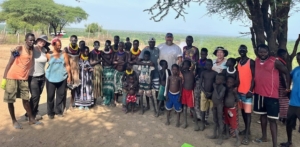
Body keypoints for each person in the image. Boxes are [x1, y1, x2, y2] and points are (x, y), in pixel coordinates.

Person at [253, 44, 290, 147]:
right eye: (260, 52)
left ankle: (274, 144)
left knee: (272, 120)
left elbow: (286, 72)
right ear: (258, 52)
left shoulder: (275, 62)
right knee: (262, 116)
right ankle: (264, 137)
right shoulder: (256, 61)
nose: (262, 54)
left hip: (271, 96)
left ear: (268, 51)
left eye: (264, 52)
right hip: (259, 94)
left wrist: (287, 88)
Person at [1, 33, 41, 129]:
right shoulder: (19, 49)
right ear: (25, 40)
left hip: (23, 78)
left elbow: (43, 47)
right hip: (12, 77)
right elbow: (9, 63)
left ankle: (31, 119)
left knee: (26, 99)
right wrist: (4, 78)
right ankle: (14, 121)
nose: (31, 42)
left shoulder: (32, 50)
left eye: (33, 40)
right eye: (30, 40)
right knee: (11, 100)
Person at [25, 35, 50, 121]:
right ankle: (31, 114)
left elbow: (50, 58)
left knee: (37, 95)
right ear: (37, 40)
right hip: (32, 76)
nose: (42, 42)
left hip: (42, 76)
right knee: (35, 96)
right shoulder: (32, 48)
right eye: (40, 40)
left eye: (44, 41)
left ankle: (30, 112)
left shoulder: (45, 50)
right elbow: (24, 48)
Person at [46, 38, 71, 119]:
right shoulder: (49, 54)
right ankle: (50, 112)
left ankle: (58, 111)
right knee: (50, 96)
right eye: (57, 45)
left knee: (60, 95)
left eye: (60, 45)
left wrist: (69, 76)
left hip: (62, 77)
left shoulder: (64, 54)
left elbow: (67, 65)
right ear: (53, 45)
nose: (59, 47)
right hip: (50, 78)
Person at [280, 53, 300, 147]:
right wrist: (287, 88)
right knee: (289, 123)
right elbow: (288, 76)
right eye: (298, 59)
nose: (299, 60)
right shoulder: (296, 69)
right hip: (293, 102)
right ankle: (289, 141)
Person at [236, 45, 254, 145]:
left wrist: (251, 91)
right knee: (243, 112)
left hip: (247, 92)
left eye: (243, 49)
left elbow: (254, 77)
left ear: (246, 50)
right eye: (240, 49)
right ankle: (247, 130)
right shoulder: (239, 62)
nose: (242, 51)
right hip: (240, 91)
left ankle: (247, 136)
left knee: (248, 114)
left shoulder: (250, 62)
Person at [138, 37, 160, 109]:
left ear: (155, 43)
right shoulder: (145, 50)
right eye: (150, 42)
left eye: (153, 42)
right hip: (146, 75)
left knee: (157, 89)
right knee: (147, 89)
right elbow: (138, 61)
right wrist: (148, 64)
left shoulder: (157, 50)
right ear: (148, 43)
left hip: (155, 72)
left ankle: (158, 104)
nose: (152, 44)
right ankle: (148, 105)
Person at [198, 59, 218, 131]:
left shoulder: (215, 73)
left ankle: (216, 125)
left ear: (212, 65)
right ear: (205, 65)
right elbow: (200, 84)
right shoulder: (203, 73)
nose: (208, 66)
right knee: (203, 109)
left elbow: (216, 84)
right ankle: (203, 124)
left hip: (212, 93)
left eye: (210, 65)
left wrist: (212, 93)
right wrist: (205, 92)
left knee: (214, 109)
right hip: (204, 93)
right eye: (207, 65)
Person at [208, 73, 226, 145]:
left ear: (222, 80)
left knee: (220, 121)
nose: (216, 80)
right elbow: (214, 95)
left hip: (219, 106)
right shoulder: (216, 86)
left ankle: (220, 138)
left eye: (218, 79)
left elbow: (219, 97)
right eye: (216, 79)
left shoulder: (223, 88)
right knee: (215, 121)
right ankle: (214, 134)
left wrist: (215, 88)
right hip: (215, 105)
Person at [64, 35, 80, 110]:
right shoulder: (66, 49)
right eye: (72, 40)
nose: (73, 42)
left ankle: (71, 104)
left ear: (77, 40)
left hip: (76, 71)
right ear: (70, 40)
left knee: (73, 88)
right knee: (65, 88)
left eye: (75, 40)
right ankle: (63, 105)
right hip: (68, 70)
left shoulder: (79, 50)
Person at [138, 51, 156, 115]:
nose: (146, 57)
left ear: (149, 56)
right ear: (143, 56)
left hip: (148, 82)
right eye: (145, 56)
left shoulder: (151, 63)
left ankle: (155, 110)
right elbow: (139, 71)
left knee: (150, 95)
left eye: (147, 56)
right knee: (141, 95)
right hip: (141, 82)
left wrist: (151, 82)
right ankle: (142, 110)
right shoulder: (141, 63)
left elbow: (152, 73)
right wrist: (138, 80)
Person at [224, 76, 240, 147]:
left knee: (234, 125)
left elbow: (237, 99)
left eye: (231, 82)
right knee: (226, 122)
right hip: (225, 108)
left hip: (231, 109)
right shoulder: (225, 90)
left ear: (233, 83)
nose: (229, 84)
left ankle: (238, 139)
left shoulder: (234, 91)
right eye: (228, 82)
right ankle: (227, 134)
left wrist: (233, 104)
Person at [181, 60, 197, 130]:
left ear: (189, 66)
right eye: (184, 65)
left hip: (190, 92)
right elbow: (179, 67)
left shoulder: (191, 72)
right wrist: (182, 63)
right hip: (184, 91)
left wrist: (190, 61)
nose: (185, 66)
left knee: (192, 108)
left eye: (187, 65)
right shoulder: (183, 72)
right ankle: (185, 122)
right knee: (184, 107)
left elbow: (194, 65)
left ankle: (196, 124)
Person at [194, 48, 209, 123]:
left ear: (207, 54)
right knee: (197, 99)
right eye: (201, 54)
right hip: (198, 82)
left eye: (204, 54)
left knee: (205, 100)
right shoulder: (198, 62)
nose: (202, 55)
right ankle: (198, 116)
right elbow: (196, 72)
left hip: (205, 82)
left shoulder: (208, 63)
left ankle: (205, 118)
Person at [113, 42, 128, 106]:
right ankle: (115, 100)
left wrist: (118, 62)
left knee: (123, 86)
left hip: (123, 73)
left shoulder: (125, 54)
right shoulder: (116, 53)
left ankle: (124, 101)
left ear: (123, 47)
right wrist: (119, 62)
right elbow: (113, 61)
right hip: (117, 72)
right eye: (119, 46)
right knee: (116, 86)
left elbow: (126, 62)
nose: (120, 47)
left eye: (121, 46)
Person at [277, 48, 289, 124]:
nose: (286, 56)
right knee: (284, 101)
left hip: (277, 84)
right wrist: (286, 88)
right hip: (281, 85)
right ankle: (284, 117)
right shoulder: (280, 62)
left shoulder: (277, 60)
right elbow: (283, 75)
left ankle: (281, 117)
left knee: (280, 101)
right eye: (286, 55)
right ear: (283, 55)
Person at [102, 40, 115, 106]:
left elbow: (110, 62)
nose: (107, 46)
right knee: (105, 86)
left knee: (110, 86)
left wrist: (103, 56)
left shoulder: (112, 53)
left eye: (108, 45)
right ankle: (105, 99)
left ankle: (110, 99)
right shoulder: (102, 52)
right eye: (106, 44)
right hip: (104, 70)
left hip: (110, 70)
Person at [89, 41, 102, 106]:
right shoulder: (91, 53)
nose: (97, 46)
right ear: (93, 45)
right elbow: (91, 63)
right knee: (94, 85)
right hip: (94, 70)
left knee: (97, 85)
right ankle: (92, 100)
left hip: (99, 71)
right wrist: (99, 61)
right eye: (95, 45)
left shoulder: (100, 52)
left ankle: (95, 100)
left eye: (98, 45)